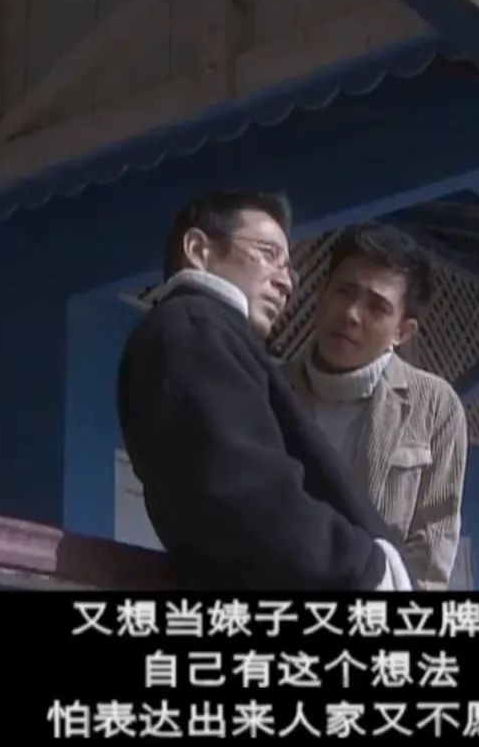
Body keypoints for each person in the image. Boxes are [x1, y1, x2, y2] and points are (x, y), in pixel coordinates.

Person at [116, 190, 413, 591]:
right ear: (199, 250)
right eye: (268, 253)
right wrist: (365, 568)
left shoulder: (207, 334)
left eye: (289, 268)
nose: (285, 282)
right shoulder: (192, 327)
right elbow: (245, 492)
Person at [284, 223, 468, 590]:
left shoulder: (435, 406)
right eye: (344, 291)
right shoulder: (268, 387)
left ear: (403, 331)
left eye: (377, 306)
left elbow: (431, 550)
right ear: (321, 293)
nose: (352, 314)